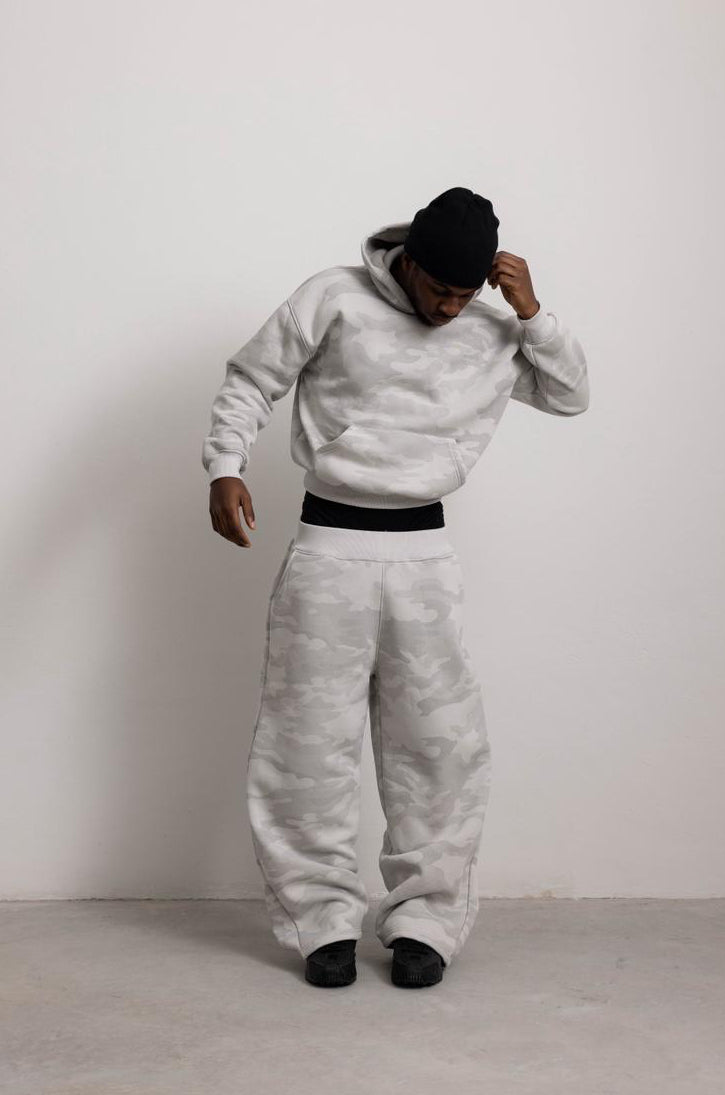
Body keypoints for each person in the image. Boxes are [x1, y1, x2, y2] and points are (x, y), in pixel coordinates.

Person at [202, 186, 590, 989]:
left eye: (465, 293)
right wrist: (225, 466)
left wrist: (529, 312)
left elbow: (568, 394)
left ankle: (425, 921)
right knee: (306, 746)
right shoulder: (333, 297)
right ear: (406, 261)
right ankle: (321, 921)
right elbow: (252, 377)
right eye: (439, 289)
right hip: (327, 553)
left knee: (439, 748)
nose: (449, 308)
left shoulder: (492, 326)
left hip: (424, 561)